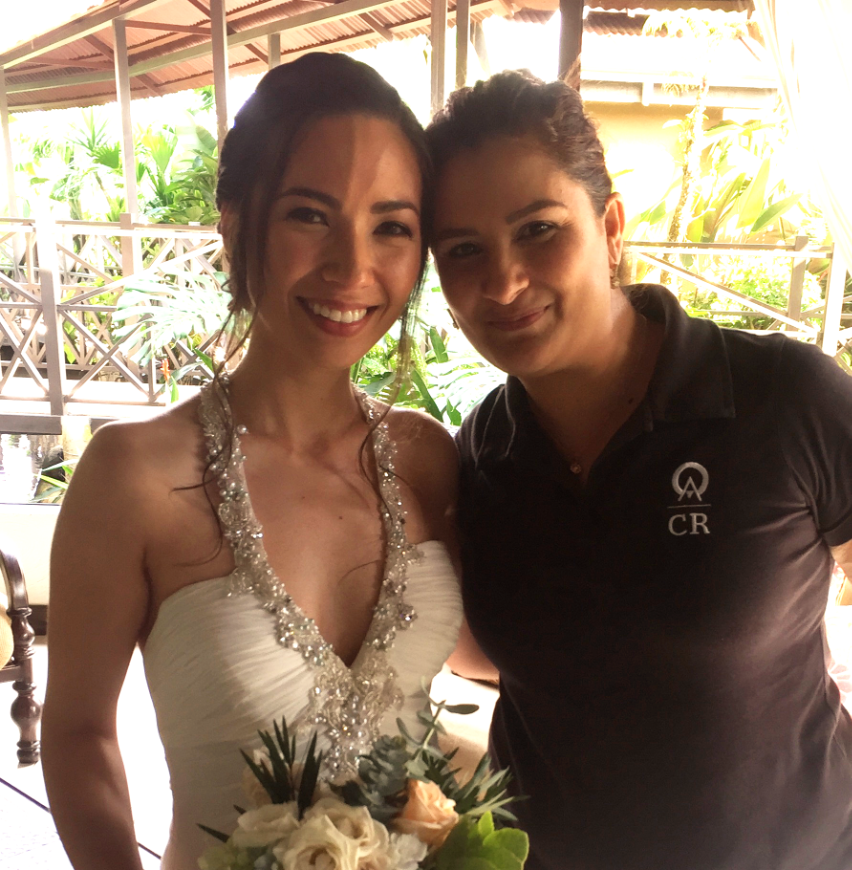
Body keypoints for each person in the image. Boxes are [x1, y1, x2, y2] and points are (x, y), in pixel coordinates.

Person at [42, 53, 462, 870]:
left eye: (392, 226)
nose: (352, 267)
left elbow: (498, 665)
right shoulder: (132, 477)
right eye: (310, 215)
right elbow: (80, 734)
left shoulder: (428, 457)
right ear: (235, 220)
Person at [426, 69, 852, 870]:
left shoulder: (782, 399)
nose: (504, 281)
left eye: (539, 229)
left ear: (611, 224)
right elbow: (484, 656)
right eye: (462, 251)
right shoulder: (481, 456)